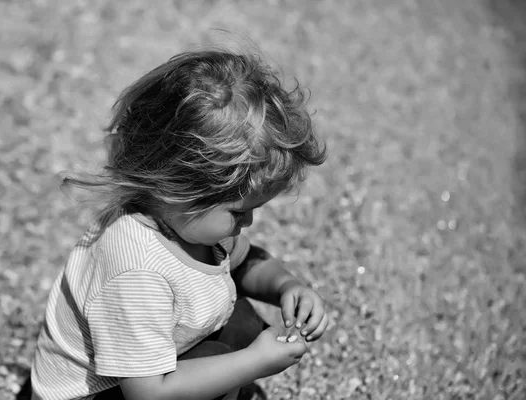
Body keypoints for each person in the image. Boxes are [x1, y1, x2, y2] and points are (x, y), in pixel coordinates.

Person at [29, 49, 328, 400]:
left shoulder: (188, 221)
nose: (248, 221)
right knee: (224, 356)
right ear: (177, 191)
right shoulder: (137, 271)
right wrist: (255, 361)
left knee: (242, 320)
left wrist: (285, 286)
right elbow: (149, 394)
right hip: (112, 391)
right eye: (238, 211)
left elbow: (245, 262)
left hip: (143, 375)